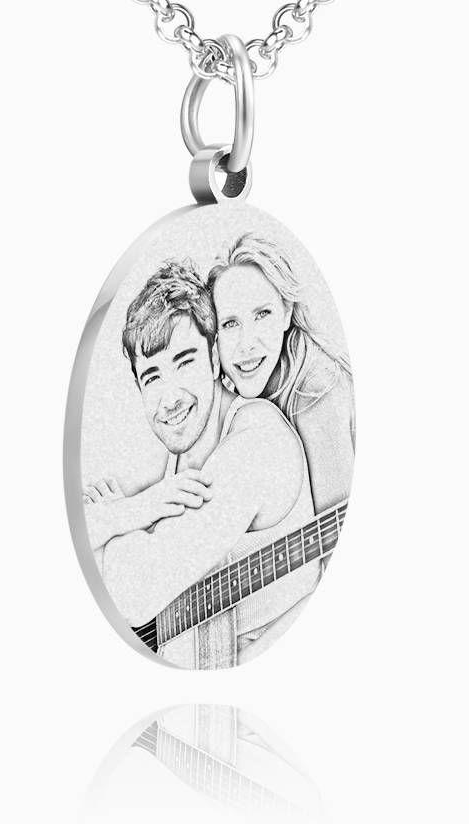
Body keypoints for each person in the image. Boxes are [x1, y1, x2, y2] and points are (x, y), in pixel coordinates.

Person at [85, 259, 319, 668]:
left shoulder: (257, 447)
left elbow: (129, 594)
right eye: (152, 376)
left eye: (184, 362)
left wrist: (114, 527)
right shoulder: (183, 451)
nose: (170, 397)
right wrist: (134, 510)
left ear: (214, 359)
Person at [207, 234, 355, 516]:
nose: (246, 344)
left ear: (287, 312)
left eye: (262, 314)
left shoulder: (315, 389)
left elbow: (335, 529)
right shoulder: (237, 398)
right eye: (230, 323)